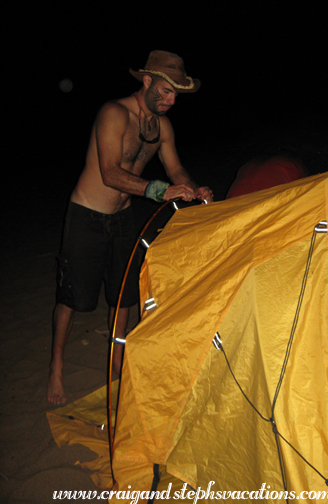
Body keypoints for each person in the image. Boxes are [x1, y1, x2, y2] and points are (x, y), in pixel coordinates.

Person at [47, 50, 213, 405]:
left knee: (122, 296)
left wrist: (191, 188)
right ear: (147, 81)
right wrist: (158, 191)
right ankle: (57, 366)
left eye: (176, 95)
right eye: (166, 91)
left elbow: (175, 170)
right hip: (86, 216)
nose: (171, 101)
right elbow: (110, 172)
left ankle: (117, 358)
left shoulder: (162, 126)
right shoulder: (113, 113)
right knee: (71, 297)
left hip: (123, 218)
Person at [226, 150, 307, 198]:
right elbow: (305, 191)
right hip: (264, 209)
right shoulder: (292, 164)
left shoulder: (249, 163)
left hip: (230, 210)